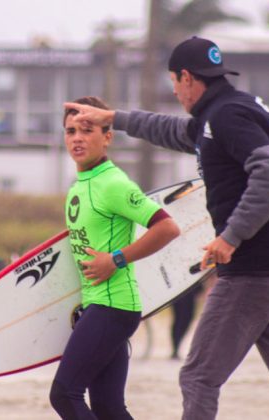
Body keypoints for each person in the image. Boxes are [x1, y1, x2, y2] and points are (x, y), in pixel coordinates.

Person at [65, 37, 269, 420]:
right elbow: (174, 132)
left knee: (198, 377)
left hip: (251, 273)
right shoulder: (229, 111)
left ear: (186, 77)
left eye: (173, 82)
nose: (173, 91)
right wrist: (116, 120)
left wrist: (230, 236)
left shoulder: (226, 117)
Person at [49, 96, 181, 419]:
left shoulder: (113, 184)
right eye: (70, 131)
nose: (77, 138)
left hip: (113, 306)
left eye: (86, 129)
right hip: (100, 307)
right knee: (108, 408)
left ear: (107, 136)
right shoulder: (80, 186)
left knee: (64, 394)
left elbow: (167, 227)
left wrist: (116, 259)